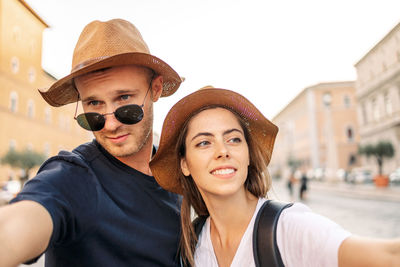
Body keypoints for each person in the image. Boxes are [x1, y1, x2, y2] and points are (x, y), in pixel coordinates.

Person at [0, 19, 183, 267]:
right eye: (94, 105)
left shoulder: (180, 174)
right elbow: (15, 228)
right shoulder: (75, 177)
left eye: (124, 99)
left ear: (156, 88)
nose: (109, 125)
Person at [150, 87, 400, 267]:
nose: (223, 151)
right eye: (204, 142)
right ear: (184, 164)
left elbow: (389, 257)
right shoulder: (191, 246)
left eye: (234, 139)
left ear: (248, 155)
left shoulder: (287, 228)